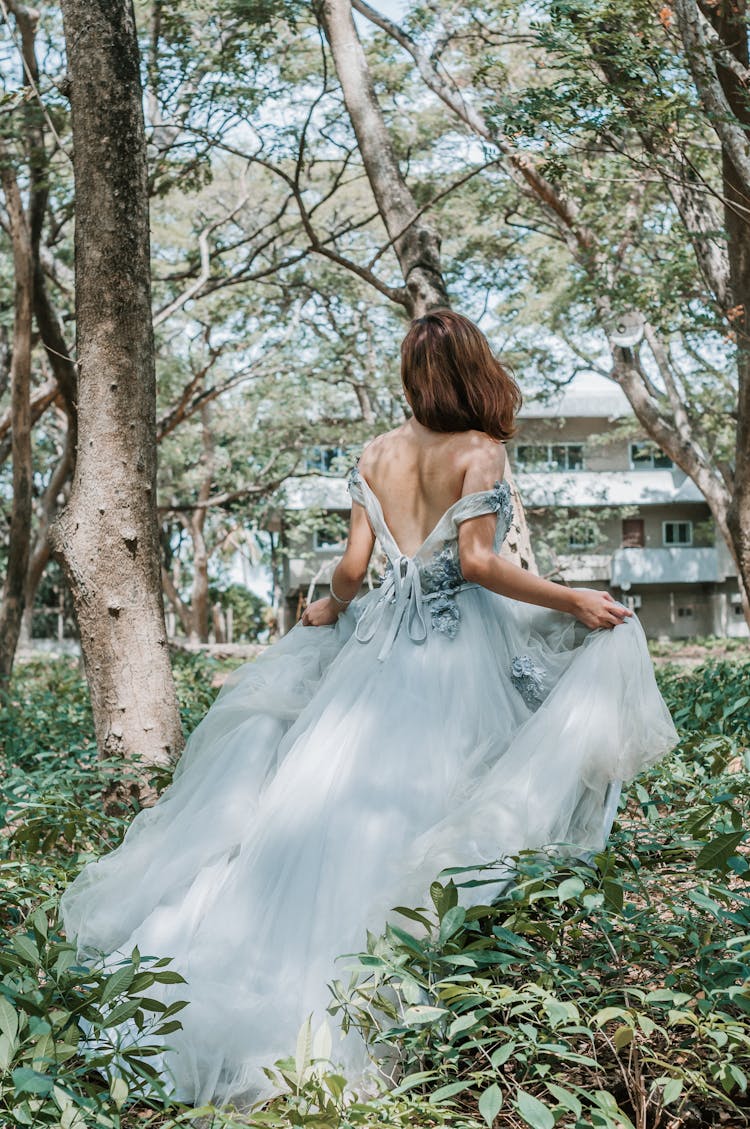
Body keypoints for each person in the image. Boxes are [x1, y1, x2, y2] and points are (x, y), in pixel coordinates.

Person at [61, 309, 678, 1109]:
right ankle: (417, 999)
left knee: (325, 809)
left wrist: (330, 607)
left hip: (378, 651)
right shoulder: (480, 450)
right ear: (473, 369)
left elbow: (353, 567)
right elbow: (478, 561)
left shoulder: (376, 452)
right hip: (456, 654)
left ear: (413, 377)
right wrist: (572, 597)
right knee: (435, 807)